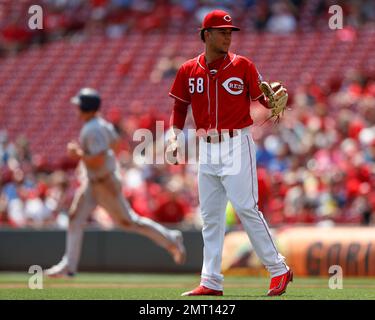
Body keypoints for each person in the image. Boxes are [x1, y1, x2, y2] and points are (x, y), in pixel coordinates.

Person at [167, 10, 292, 296]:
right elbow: (179, 107)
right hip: (206, 149)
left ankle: (278, 268)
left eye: (230, 32)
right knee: (210, 218)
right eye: (222, 31)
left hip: (236, 143)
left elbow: (264, 99)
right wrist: (174, 138)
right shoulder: (188, 69)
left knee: (246, 207)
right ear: (206, 34)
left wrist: (274, 103)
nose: (228, 36)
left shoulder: (243, 65)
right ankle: (210, 281)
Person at [45, 88, 186, 277]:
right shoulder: (102, 125)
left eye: (79, 105)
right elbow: (116, 143)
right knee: (75, 218)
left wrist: (77, 154)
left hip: (104, 183)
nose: (76, 109)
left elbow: (99, 159)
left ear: (86, 108)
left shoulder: (92, 129)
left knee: (130, 222)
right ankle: (69, 266)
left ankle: (171, 239)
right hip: (95, 181)